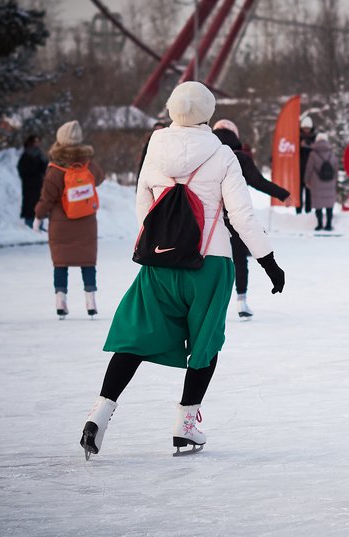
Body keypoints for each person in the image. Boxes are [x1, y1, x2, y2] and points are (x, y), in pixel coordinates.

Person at [78, 82, 286, 460]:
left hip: (160, 262)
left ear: (173, 110)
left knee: (135, 338)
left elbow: (144, 204)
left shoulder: (155, 147)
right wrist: (268, 261)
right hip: (211, 263)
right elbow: (240, 215)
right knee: (205, 344)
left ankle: (100, 413)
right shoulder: (224, 156)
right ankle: (185, 426)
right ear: (208, 112)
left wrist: (163, 244)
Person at [212, 119, 291, 319]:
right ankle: (241, 301)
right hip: (234, 214)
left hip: (208, 217)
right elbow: (257, 181)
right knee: (239, 259)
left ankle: (209, 305)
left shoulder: (206, 154)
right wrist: (282, 193)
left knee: (210, 261)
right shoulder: (238, 157)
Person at [33, 121, 105, 319]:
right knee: (88, 262)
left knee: (61, 263)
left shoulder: (55, 168)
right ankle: (90, 299)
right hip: (86, 222)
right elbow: (99, 178)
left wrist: (38, 216)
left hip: (60, 223)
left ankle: (60, 300)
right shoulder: (88, 163)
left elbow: (47, 197)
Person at [304, 132, 337, 231]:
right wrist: (335, 181)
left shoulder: (313, 154)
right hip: (330, 182)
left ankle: (319, 225)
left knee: (318, 203)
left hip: (316, 182)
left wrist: (306, 180)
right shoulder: (332, 153)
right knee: (329, 203)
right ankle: (328, 225)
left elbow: (309, 169)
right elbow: (335, 168)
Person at [17, 134, 47, 228]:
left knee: (39, 208)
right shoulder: (25, 156)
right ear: (30, 143)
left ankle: (39, 227)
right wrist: (35, 176)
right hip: (30, 187)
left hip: (40, 187)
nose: (37, 144)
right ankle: (30, 228)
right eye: (35, 142)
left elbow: (45, 169)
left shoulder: (40, 155)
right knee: (30, 209)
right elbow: (23, 171)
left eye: (38, 142)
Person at [136, 120, 167, 185]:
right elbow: (143, 163)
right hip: (151, 177)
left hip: (165, 179)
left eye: (160, 130)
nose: (158, 132)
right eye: (156, 130)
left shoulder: (169, 144)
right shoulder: (149, 145)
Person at [298, 115, 316, 214]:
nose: (306, 130)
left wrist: (309, 147)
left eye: (308, 128)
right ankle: (298, 211)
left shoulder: (315, 138)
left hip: (310, 169)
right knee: (299, 192)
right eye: (304, 128)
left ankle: (308, 211)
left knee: (309, 192)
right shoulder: (297, 137)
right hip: (299, 169)